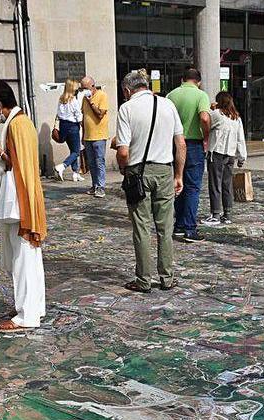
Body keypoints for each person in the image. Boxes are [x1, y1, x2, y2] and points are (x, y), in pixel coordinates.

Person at [0, 80, 48, 333]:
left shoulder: (17, 124)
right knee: (24, 256)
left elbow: (20, 167)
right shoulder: (20, 122)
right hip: (20, 197)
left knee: (23, 258)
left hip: (19, 198)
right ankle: (31, 307)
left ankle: (27, 315)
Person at [114, 69, 186, 293]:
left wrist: (125, 171)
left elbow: (123, 152)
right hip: (165, 170)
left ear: (127, 90)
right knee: (165, 228)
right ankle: (167, 277)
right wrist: (178, 175)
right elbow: (181, 144)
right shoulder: (167, 104)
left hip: (138, 172)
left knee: (141, 228)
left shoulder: (126, 109)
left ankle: (143, 280)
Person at [167, 68, 212, 241]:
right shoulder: (201, 95)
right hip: (193, 143)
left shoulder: (171, 95)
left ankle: (178, 225)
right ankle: (190, 228)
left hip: (174, 143)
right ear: (198, 81)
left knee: (179, 182)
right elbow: (205, 118)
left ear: (182, 79)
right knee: (193, 187)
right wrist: (206, 136)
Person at [202, 91, 247, 226]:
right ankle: (227, 214)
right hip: (230, 154)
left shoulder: (216, 114)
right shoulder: (236, 118)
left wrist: (211, 108)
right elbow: (240, 139)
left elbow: (205, 119)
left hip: (217, 153)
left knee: (215, 184)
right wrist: (242, 156)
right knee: (226, 184)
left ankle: (215, 213)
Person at [80, 76, 110, 197]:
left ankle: (101, 187)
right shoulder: (83, 99)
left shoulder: (102, 95)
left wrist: (91, 102)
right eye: (82, 88)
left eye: (85, 88)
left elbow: (100, 115)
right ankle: (94, 184)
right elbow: (83, 117)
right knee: (91, 163)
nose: (83, 90)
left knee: (99, 162)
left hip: (99, 135)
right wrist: (83, 135)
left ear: (92, 86)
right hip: (88, 135)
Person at [53, 79, 84, 182]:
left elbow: (58, 114)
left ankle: (75, 173)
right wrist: (82, 124)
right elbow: (78, 115)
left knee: (72, 150)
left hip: (63, 126)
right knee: (76, 151)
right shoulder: (73, 100)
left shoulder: (61, 99)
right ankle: (62, 166)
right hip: (72, 126)